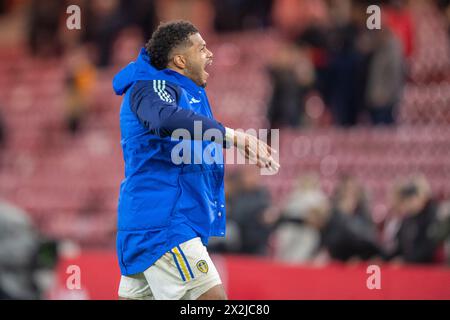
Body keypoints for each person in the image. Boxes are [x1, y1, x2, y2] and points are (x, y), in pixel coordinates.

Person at [112, 20, 279, 300]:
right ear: (179, 59)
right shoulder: (150, 85)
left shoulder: (179, 91)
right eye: (201, 49)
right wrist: (234, 137)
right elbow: (164, 119)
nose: (209, 54)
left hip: (151, 226)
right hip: (165, 227)